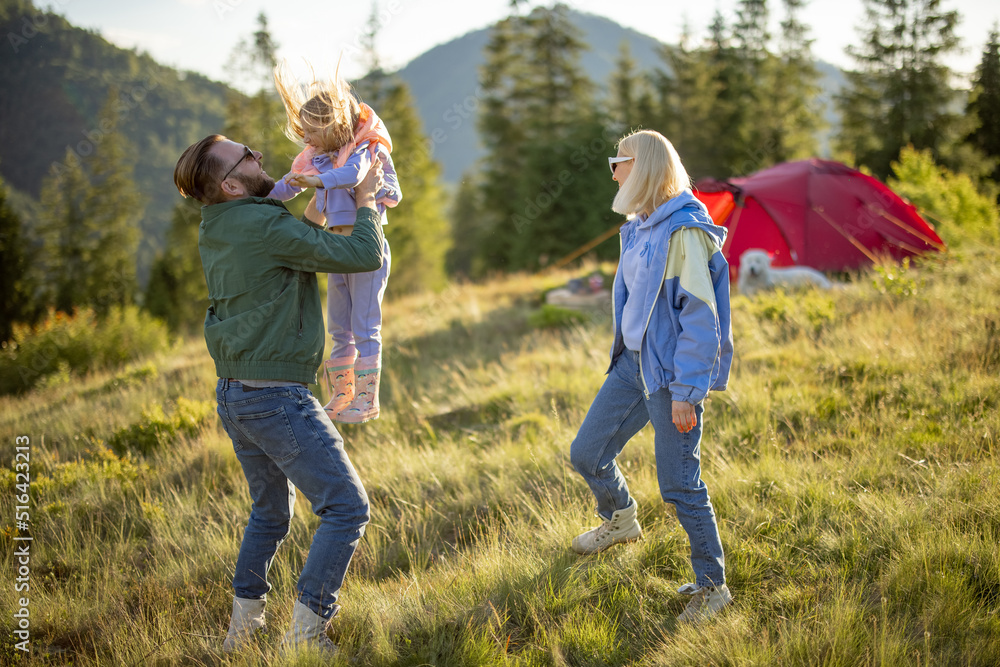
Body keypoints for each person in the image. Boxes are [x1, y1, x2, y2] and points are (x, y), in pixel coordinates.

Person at [173, 134, 386, 655]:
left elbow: (281, 248)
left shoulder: (218, 224)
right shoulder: (264, 225)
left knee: (270, 513)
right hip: (275, 398)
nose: (259, 156)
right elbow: (362, 254)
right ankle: (308, 636)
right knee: (347, 507)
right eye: (246, 157)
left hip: (234, 394)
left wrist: (310, 209)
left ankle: (241, 633)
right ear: (230, 184)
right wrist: (365, 202)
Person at [568, 129, 734, 623]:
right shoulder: (642, 226)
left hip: (667, 379)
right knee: (587, 454)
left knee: (680, 484)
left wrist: (686, 392)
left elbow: (701, 320)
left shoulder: (682, 231)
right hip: (631, 367)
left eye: (619, 161)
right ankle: (619, 519)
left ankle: (713, 587)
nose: (613, 171)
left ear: (642, 168)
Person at [268, 62, 401, 424]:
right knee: (338, 327)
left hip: (365, 246)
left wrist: (316, 183)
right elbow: (287, 184)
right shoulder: (319, 157)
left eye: (312, 132)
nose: (306, 140)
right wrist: (263, 194)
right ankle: (342, 394)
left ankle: (367, 399)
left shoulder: (363, 152)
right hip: (336, 250)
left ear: (333, 126)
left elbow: (353, 177)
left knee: (365, 325)